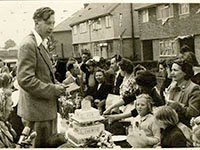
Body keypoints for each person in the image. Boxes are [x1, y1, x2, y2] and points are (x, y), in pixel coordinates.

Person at [17, 7, 66, 148]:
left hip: (43, 112)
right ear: (36, 22)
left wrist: (58, 85)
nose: (51, 27)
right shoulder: (29, 45)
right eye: (48, 23)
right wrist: (53, 89)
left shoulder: (40, 44)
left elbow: (43, 75)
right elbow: (25, 80)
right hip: (37, 115)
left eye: (53, 23)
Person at [167, 59, 200, 127]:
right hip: (172, 124)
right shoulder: (173, 86)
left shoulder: (194, 88)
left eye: (175, 70)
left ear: (185, 72)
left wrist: (177, 106)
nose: (172, 73)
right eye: (171, 70)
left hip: (185, 126)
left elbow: (193, 112)